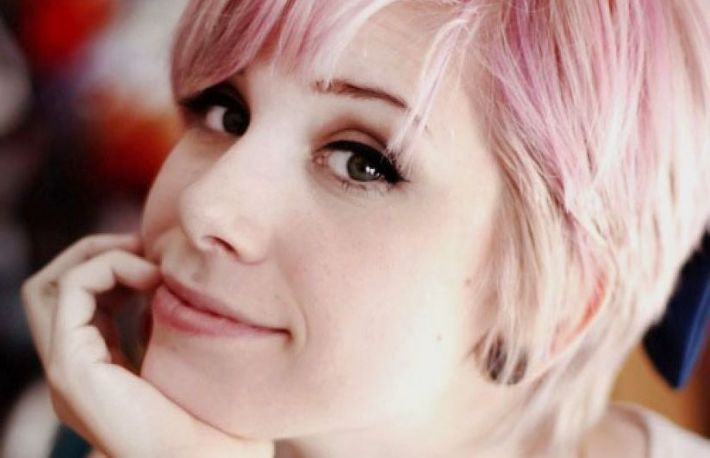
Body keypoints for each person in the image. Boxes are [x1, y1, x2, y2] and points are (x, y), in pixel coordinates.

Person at [20, 0, 710, 457]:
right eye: (226, 112)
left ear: (549, 306)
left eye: (362, 162)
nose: (205, 204)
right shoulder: (91, 422)